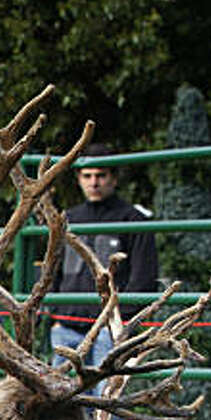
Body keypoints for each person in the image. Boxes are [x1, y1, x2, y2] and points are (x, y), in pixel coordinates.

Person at [52, 143, 157, 366]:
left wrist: (122, 320)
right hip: (67, 324)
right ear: (79, 179)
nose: (94, 182)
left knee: (105, 395)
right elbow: (52, 270)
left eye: (101, 175)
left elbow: (144, 276)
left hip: (109, 327)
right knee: (58, 396)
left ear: (114, 178)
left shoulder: (133, 220)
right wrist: (55, 314)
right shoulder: (68, 219)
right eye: (87, 176)